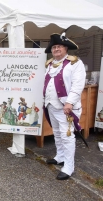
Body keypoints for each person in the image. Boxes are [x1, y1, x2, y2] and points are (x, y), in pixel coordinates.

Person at [43, 33, 86, 180]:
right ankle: (60, 156)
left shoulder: (75, 63)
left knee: (67, 136)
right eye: (54, 47)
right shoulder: (49, 64)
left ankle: (68, 167)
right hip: (51, 105)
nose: (56, 49)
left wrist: (70, 102)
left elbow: (78, 85)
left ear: (65, 48)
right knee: (57, 133)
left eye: (59, 47)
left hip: (66, 107)